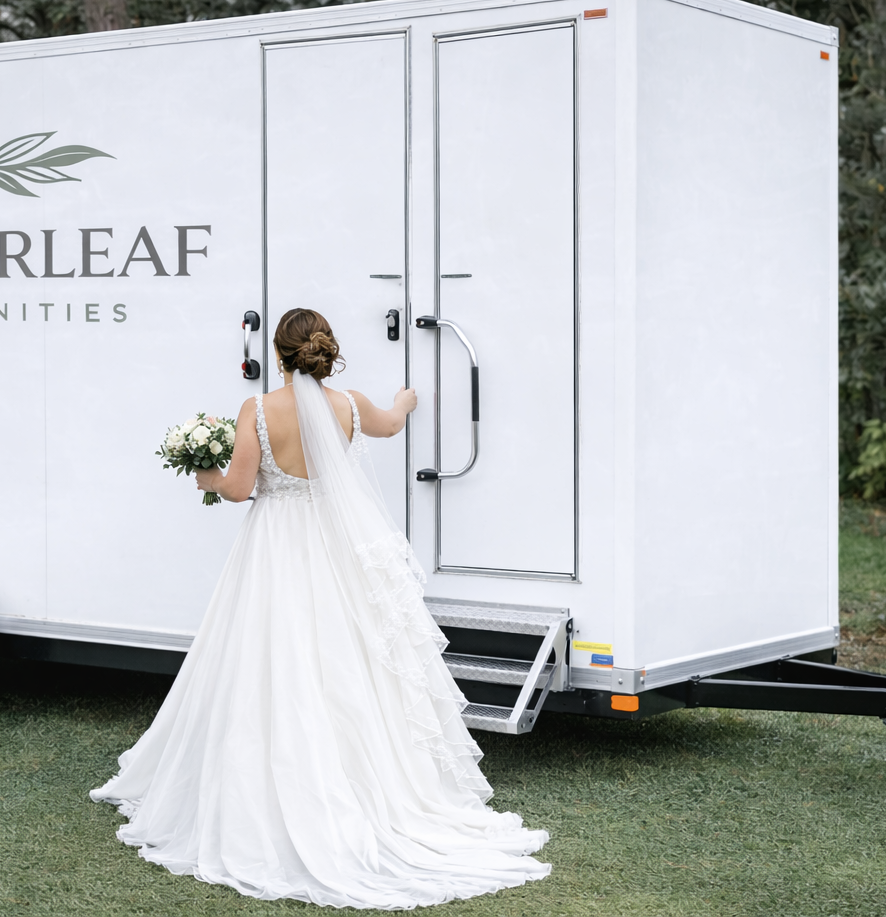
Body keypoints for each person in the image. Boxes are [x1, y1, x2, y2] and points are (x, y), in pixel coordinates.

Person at [90, 307, 550, 909]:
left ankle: (277, 783)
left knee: (271, 657)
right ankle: (374, 782)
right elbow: (386, 427)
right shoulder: (351, 405)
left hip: (277, 544)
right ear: (324, 352)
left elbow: (237, 487)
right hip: (338, 548)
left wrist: (200, 469)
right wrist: (407, 402)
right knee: (349, 658)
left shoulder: (257, 411)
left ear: (279, 355)